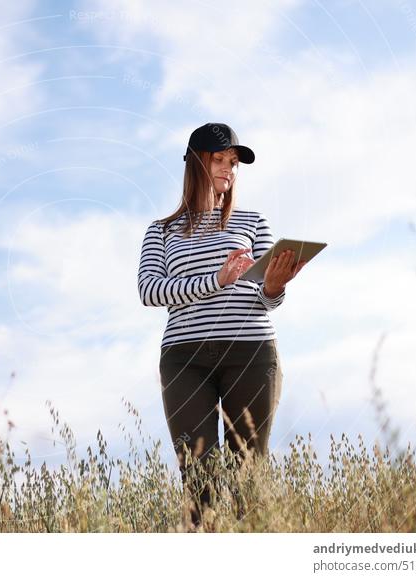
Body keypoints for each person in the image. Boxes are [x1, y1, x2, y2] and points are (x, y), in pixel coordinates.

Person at [137, 122, 307, 528]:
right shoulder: (161, 231)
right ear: (196, 163)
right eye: (220, 159)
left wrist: (275, 284)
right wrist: (216, 280)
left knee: (248, 477)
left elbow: (268, 299)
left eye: (234, 162)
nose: (230, 169)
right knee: (198, 479)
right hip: (185, 360)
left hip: (250, 354)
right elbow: (150, 290)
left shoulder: (253, 221)